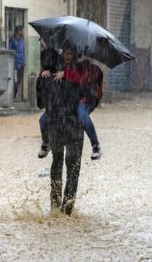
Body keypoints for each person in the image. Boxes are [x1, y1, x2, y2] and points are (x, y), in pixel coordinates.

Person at [39, 58, 86, 216]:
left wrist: (46, 76)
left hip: (59, 125)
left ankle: (57, 207)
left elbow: (40, 101)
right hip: (72, 127)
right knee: (71, 167)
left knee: (60, 163)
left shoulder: (54, 68)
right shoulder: (83, 70)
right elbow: (90, 96)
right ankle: (65, 210)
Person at [37, 46, 103, 160]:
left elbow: (81, 78)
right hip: (66, 101)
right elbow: (50, 69)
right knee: (43, 120)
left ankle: (95, 145)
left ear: (76, 55)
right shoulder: (60, 64)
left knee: (82, 115)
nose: (67, 56)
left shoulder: (83, 65)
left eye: (70, 53)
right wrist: (44, 72)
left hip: (84, 98)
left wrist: (66, 73)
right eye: (65, 53)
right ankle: (46, 144)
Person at [8, 26, 26, 100]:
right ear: (18, 31)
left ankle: (14, 94)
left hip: (21, 64)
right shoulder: (12, 40)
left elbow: (24, 52)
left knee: (18, 80)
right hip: (14, 63)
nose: (22, 32)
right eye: (21, 30)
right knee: (14, 80)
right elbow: (9, 50)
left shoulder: (22, 40)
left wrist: (24, 62)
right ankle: (12, 95)